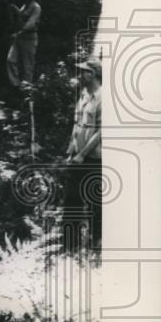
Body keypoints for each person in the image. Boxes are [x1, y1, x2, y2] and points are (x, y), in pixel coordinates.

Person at [62, 56, 102, 249]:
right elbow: (77, 125)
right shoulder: (84, 96)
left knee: (96, 203)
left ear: (93, 74)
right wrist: (71, 151)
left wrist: (83, 154)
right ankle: (69, 245)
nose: (80, 74)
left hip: (94, 159)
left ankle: (97, 245)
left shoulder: (104, 98)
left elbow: (102, 132)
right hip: (77, 157)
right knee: (71, 198)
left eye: (83, 71)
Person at [6, 0, 42, 89]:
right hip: (19, 37)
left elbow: (30, 23)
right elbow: (21, 17)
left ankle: (27, 89)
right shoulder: (24, 5)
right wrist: (14, 8)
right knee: (10, 60)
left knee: (28, 65)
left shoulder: (36, 7)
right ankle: (15, 85)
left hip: (29, 38)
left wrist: (18, 33)